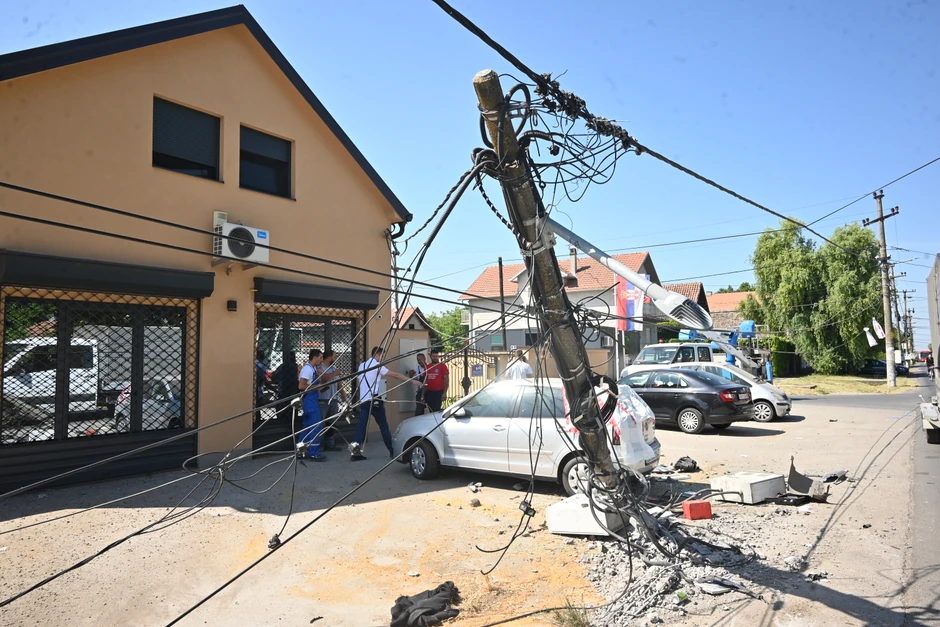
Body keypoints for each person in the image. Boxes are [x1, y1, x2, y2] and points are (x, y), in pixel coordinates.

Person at [350, 346, 412, 461]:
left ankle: (355, 453)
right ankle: (392, 451)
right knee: (383, 425)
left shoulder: (362, 365)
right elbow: (395, 375)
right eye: (382, 356)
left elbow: (358, 382)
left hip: (364, 400)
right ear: (377, 355)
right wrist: (413, 380)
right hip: (374, 400)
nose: (383, 358)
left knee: (361, 426)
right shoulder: (377, 365)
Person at [298, 349, 326, 461]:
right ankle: (313, 452)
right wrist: (316, 387)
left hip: (312, 400)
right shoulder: (307, 369)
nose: (321, 360)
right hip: (309, 401)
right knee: (316, 426)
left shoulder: (313, 369)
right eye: (320, 357)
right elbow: (301, 386)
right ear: (314, 357)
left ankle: (301, 451)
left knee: (307, 427)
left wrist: (319, 375)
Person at [317, 350, 346, 452]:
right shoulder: (320, 368)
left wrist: (342, 393)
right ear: (329, 358)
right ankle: (315, 445)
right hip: (323, 400)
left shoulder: (334, 369)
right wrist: (334, 374)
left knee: (332, 423)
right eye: (334, 356)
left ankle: (330, 444)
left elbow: (339, 382)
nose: (336, 359)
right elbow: (323, 379)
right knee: (319, 423)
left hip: (333, 399)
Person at [271, 351, 299, 420]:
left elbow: (273, 376)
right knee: (293, 412)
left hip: (283, 392)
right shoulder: (297, 367)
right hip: (294, 392)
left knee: (282, 412)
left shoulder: (282, 367)